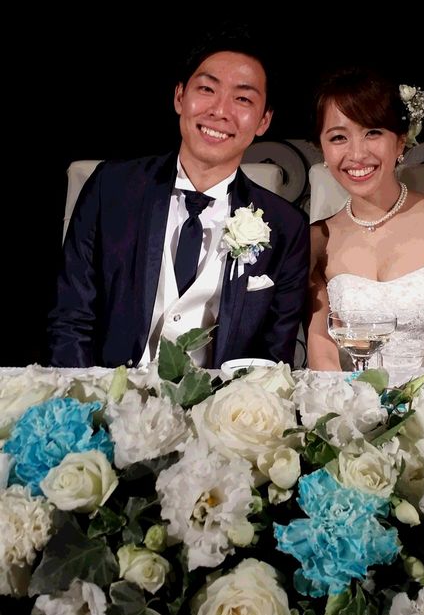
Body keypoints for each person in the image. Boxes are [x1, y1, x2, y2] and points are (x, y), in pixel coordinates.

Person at [47, 24, 310, 369]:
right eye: (207, 89)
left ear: (264, 121)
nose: (220, 110)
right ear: (179, 97)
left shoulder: (286, 227)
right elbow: (71, 320)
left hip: (217, 399)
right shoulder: (111, 188)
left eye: (243, 99)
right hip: (109, 393)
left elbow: (272, 360)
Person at [307, 68, 424, 374]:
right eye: (339, 137)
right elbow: (323, 357)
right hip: (356, 401)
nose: (357, 154)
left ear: (400, 142)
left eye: (372, 132)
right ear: (323, 150)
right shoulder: (318, 239)